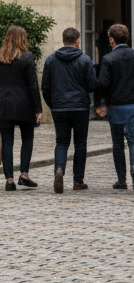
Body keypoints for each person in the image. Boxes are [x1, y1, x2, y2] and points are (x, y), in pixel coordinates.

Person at [41, 27, 97, 192]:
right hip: (80, 107)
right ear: (78, 41)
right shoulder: (85, 60)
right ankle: (78, 180)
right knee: (80, 143)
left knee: (61, 142)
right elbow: (93, 85)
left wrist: (54, 104)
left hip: (59, 107)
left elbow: (45, 87)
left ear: (63, 39)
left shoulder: (51, 60)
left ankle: (59, 168)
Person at [0, 24, 43, 192]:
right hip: (23, 104)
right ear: (22, 39)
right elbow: (33, 85)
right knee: (27, 139)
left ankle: (9, 179)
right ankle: (24, 174)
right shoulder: (27, 57)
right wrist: (38, 109)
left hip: (2, 104)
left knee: (7, 142)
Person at [95, 22, 134, 189]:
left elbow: (103, 83)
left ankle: (122, 179)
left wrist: (99, 104)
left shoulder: (108, 58)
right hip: (132, 105)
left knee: (118, 143)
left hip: (116, 106)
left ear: (111, 40)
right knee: (132, 142)